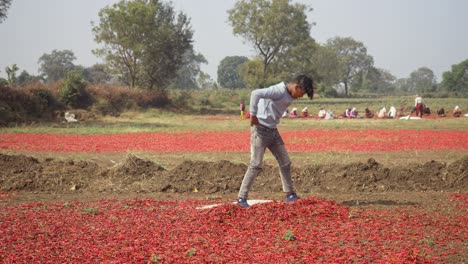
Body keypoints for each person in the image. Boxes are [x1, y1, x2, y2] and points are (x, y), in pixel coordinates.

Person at [236, 75, 314, 208]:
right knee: (256, 164)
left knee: (285, 162)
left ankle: (290, 194)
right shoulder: (278, 90)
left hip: (272, 130)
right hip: (260, 130)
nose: (300, 97)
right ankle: (241, 198)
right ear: (296, 86)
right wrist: (253, 115)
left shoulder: (290, 93)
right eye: (301, 93)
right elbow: (256, 93)